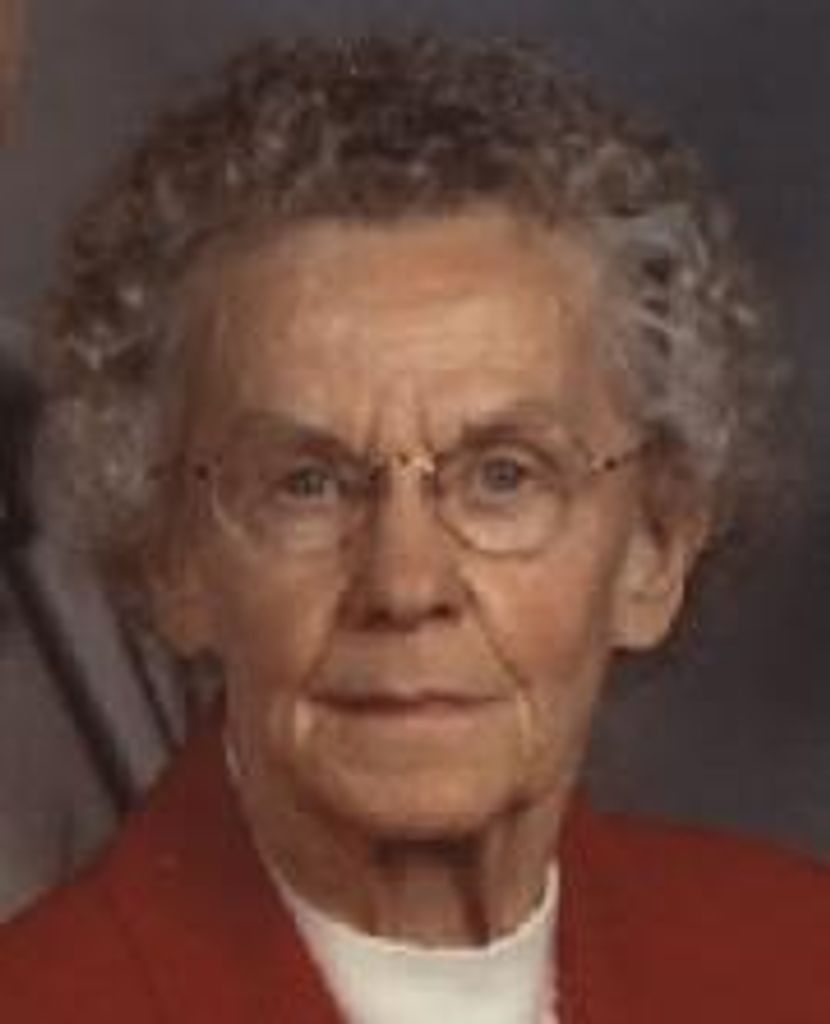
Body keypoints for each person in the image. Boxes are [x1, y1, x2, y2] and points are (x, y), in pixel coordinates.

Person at [0, 35, 827, 1023]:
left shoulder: (799, 958)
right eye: (307, 484)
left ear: (653, 547)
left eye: (502, 477)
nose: (404, 583)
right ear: (172, 555)